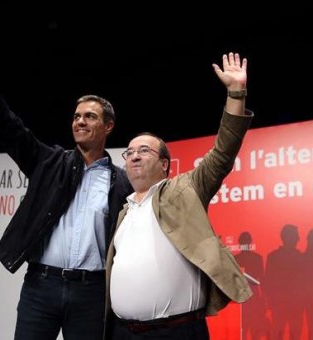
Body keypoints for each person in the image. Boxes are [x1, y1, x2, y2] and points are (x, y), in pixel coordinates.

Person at [0, 7, 133, 340]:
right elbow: (5, 123)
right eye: (76, 116)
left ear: (108, 126)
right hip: (41, 287)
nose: (79, 121)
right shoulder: (49, 162)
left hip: (92, 292)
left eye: (90, 116)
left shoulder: (123, 182)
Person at [106, 52, 253, 339]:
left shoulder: (185, 189)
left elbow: (224, 152)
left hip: (177, 332)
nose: (134, 156)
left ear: (164, 164)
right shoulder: (124, 211)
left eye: (144, 151)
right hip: (124, 333)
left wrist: (236, 92)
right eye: (130, 152)